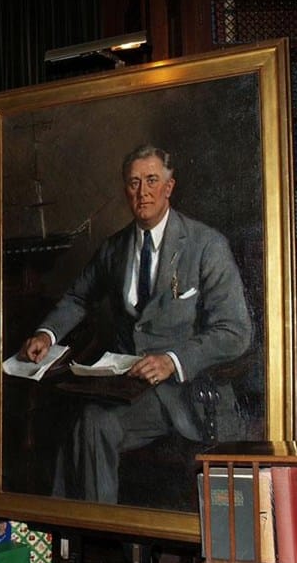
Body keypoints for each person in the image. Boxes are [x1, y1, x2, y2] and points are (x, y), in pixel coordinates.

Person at [17, 144, 253, 503]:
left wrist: (172, 360)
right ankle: (86, 537)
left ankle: (94, 537)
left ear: (169, 187)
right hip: (125, 388)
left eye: (152, 180)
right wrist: (46, 333)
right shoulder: (114, 248)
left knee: (89, 427)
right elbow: (79, 297)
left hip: (188, 394)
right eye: (133, 183)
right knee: (84, 425)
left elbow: (236, 331)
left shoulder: (206, 245)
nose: (142, 192)